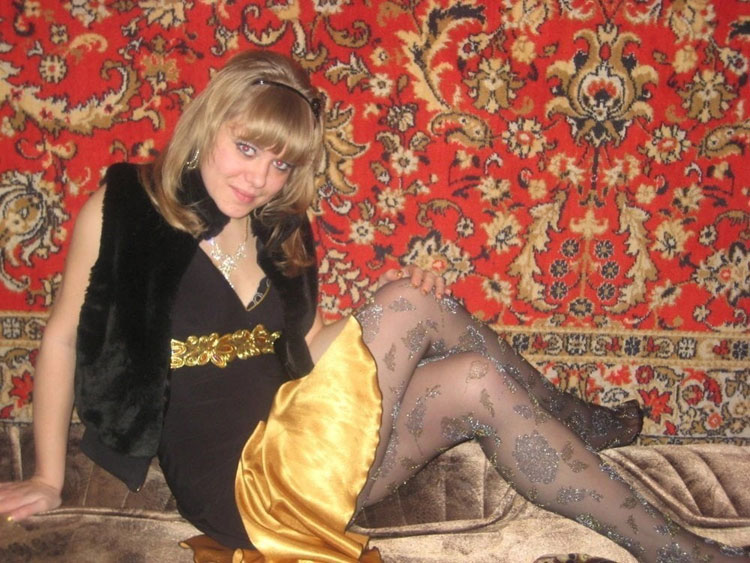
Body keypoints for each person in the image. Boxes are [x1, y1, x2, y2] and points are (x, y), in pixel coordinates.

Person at [0, 50, 745, 563]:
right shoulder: (130, 206)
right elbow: (61, 338)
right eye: (247, 148)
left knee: (473, 380)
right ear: (209, 122)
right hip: (238, 485)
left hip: (308, 451)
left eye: (281, 162)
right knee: (409, 306)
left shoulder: (279, 230)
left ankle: (684, 553)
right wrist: (48, 475)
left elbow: (302, 354)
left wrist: (379, 312)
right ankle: (578, 418)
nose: (259, 178)